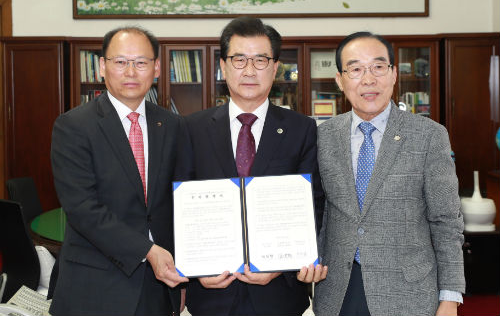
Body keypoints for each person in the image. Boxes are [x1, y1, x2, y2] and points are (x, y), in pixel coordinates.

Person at [175, 16, 327, 316]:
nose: (248, 70)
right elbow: (178, 207)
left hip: (278, 297)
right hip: (211, 295)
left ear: (274, 68)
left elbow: (315, 206)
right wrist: (195, 269)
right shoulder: (191, 128)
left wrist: (280, 267)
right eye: (239, 59)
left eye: (260, 60)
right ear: (222, 66)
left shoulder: (302, 129)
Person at [314, 31, 465, 316]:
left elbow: (446, 222)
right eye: (356, 69)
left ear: (394, 74)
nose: (368, 79)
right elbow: (320, 212)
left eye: (378, 67)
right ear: (339, 80)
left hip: (409, 293)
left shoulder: (429, 136)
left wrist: (450, 296)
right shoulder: (324, 136)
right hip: (338, 292)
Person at [49, 26, 188, 316]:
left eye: (141, 62)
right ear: (102, 66)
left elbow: (181, 201)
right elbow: (82, 209)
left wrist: (187, 268)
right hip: (94, 285)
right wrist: (148, 251)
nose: (131, 72)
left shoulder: (173, 125)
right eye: (120, 62)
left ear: (157, 68)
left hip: (158, 286)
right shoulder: (73, 126)